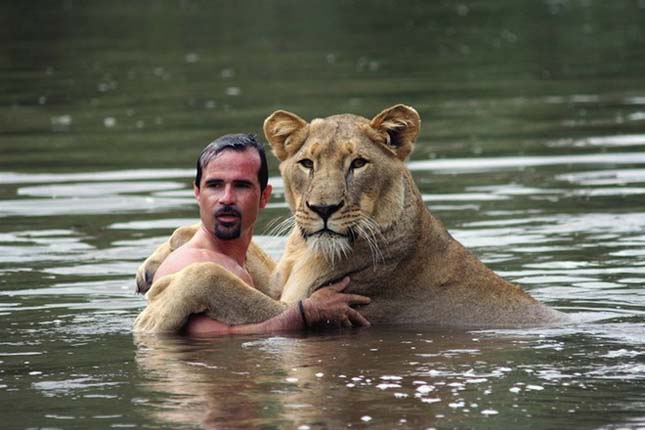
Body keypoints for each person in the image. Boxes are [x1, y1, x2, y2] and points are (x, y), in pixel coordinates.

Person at [152, 133, 371, 335]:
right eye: (215, 185)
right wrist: (306, 313)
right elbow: (216, 340)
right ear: (198, 193)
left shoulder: (244, 263)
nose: (226, 198)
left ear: (264, 197)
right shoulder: (186, 264)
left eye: (241, 186)